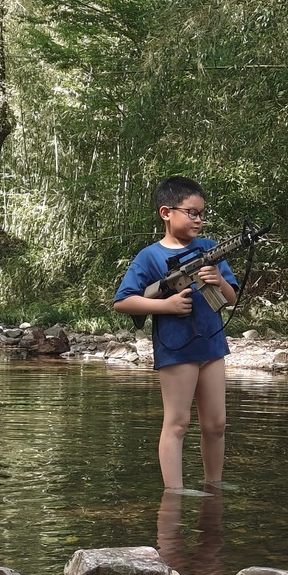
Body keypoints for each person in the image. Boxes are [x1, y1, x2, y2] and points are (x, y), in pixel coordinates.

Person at [113, 177, 238, 495]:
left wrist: (217, 280)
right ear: (166, 212)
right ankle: (175, 492)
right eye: (192, 212)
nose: (199, 219)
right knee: (178, 422)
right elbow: (123, 301)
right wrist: (165, 305)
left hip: (211, 344)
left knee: (216, 424)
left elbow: (231, 298)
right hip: (177, 347)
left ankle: (215, 485)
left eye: (202, 214)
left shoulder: (210, 249)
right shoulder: (149, 257)